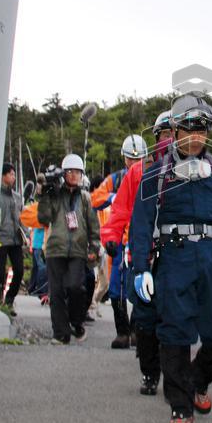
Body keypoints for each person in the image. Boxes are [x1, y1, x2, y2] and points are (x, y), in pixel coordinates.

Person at [129, 94, 212, 423]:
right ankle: (181, 408)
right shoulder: (156, 174)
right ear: (175, 130)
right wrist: (140, 268)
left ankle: (197, 380)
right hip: (175, 259)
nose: (195, 136)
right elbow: (141, 224)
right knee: (174, 333)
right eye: (188, 129)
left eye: (201, 129)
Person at [91, 134, 150, 349]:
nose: (134, 162)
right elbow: (95, 198)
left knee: (141, 285)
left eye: (138, 158)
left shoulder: (152, 175)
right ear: (124, 158)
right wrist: (111, 197)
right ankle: (122, 332)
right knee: (116, 287)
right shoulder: (114, 180)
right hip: (120, 241)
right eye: (130, 158)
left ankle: (136, 330)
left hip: (143, 241)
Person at [37, 154, 101, 344]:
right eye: (70, 172)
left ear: (82, 175)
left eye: (78, 172)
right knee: (56, 292)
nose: (74, 175)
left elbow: (93, 226)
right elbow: (43, 218)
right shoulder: (55, 195)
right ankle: (60, 333)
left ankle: (76, 322)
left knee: (75, 288)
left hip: (78, 251)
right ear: (63, 174)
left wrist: (94, 247)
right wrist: (45, 195)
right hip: (55, 249)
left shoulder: (85, 198)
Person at [0, 162, 24, 316]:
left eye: (14, 174)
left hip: (16, 239)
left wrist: (26, 234)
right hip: (0, 239)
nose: (13, 177)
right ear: (3, 176)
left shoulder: (17, 197)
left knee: (19, 270)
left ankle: (9, 300)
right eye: (11, 174)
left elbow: (22, 218)